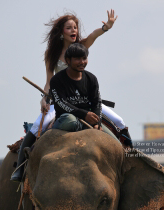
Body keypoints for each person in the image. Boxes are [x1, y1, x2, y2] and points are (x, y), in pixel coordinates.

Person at [11, 11, 130, 182]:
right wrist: (44, 98)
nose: (74, 30)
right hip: (61, 101)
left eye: (75, 27)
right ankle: (20, 168)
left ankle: (131, 159)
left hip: (85, 101)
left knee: (119, 121)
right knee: (39, 124)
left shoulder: (81, 46)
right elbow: (49, 81)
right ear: (61, 32)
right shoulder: (51, 54)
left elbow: (93, 36)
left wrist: (106, 27)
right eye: (69, 28)